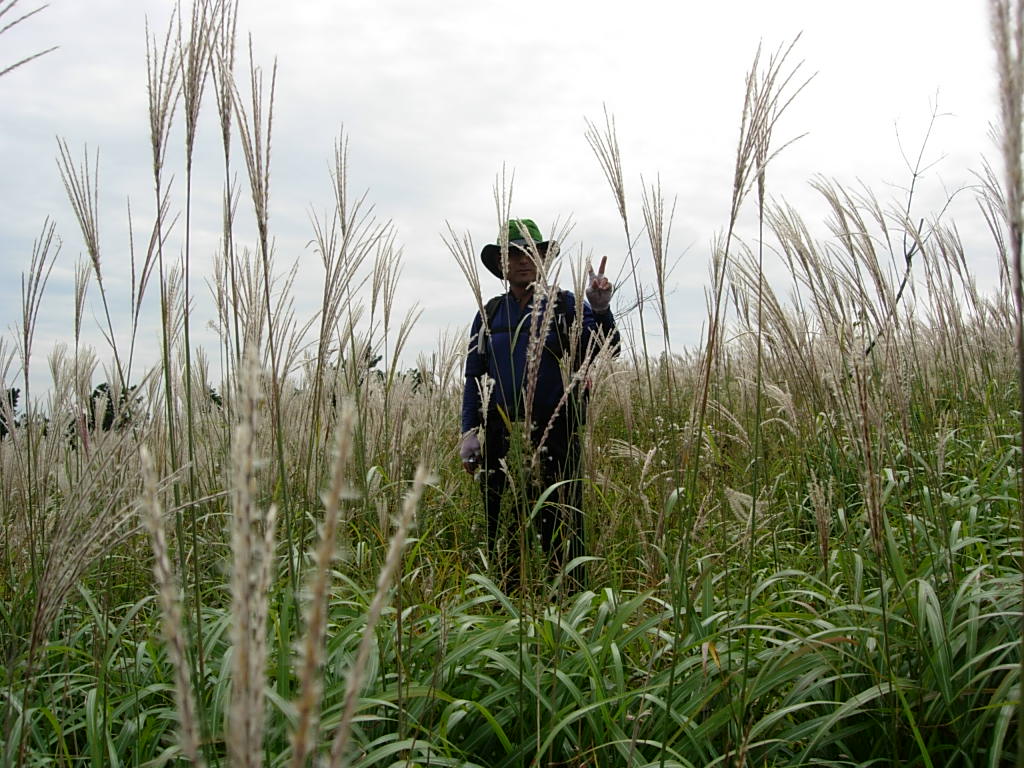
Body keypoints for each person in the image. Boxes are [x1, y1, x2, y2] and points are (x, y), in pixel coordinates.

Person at [459, 218, 618, 592]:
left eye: (532, 252)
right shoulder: (490, 315)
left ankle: (568, 605)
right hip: (501, 440)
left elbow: (605, 349)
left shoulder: (563, 306)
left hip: (557, 436)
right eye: (512, 254)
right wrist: (470, 431)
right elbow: (473, 378)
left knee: (563, 524)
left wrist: (599, 310)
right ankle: (506, 603)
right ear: (501, 265)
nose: (522, 261)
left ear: (544, 259)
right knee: (503, 527)